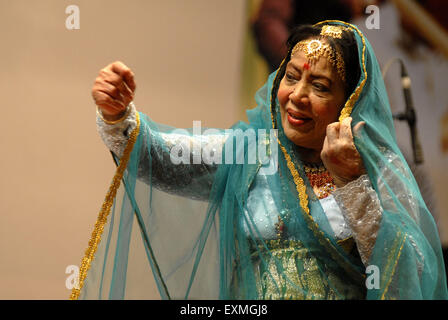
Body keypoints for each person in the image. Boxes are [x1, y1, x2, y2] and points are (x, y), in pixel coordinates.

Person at [71, 21, 448, 300]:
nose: (297, 96)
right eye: (290, 77)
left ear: (349, 102)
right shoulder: (250, 153)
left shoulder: (375, 171)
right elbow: (159, 157)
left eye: (318, 86)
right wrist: (118, 115)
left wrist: (352, 184)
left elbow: (410, 278)